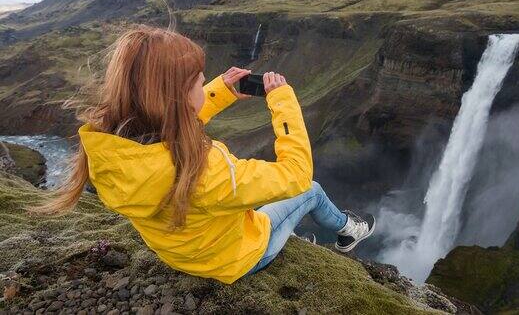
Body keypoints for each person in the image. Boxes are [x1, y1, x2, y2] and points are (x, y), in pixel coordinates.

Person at [31, 24, 375, 284]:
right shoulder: (206, 172)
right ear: (180, 97)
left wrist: (220, 92)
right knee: (310, 190)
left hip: (182, 253)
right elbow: (295, 174)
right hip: (236, 260)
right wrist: (283, 101)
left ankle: (297, 235)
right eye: (199, 81)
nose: (203, 83)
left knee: (249, 196)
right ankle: (349, 231)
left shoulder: (111, 152)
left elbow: (174, 125)